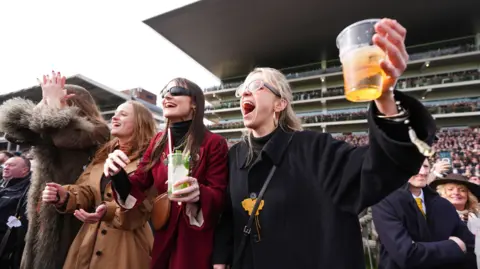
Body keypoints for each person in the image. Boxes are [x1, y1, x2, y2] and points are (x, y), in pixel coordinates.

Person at [212, 19, 437, 269]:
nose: (244, 93)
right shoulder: (234, 156)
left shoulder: (314, 150)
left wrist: (385, 99)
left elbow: (377, 170)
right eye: (242, 89)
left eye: (255, 86)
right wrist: (221, 259)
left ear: (280, 103)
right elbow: (227, 217)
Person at [104, 78, 229, 269]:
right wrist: (117, 174)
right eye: (164, 93)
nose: (167, 96)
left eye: (176, 91)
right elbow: (137, 184)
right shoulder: (158, 141)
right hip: (163, 236)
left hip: (196, 241)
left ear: (194, 102)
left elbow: (221, 197)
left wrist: (199, 193)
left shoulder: (214, 143)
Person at [0, 71, 110, 269]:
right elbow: (12, 134)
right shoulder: (48, 128)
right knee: (35, 255)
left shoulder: (98, 129)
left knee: (62, 259)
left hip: (74, 204)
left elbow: (64, 138)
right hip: (43, 203)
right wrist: (44, 103)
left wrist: (54, 104)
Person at [41, 101, 157, 269]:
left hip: (127, 247)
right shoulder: (102, 156)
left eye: (123, 114)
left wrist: (107, 210)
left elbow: (142, 209)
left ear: (141, 123)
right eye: (115, 113)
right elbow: (86, 189)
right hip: (88, 242)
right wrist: (65, 195)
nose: (115, 117)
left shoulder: (151, 160)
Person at [372, 159, 477, 269]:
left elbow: (469, 245)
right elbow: (406, 254)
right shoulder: (384, 203)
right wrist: (454, 246)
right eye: (416, 166)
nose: (422, 172)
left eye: (426, 166)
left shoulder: (443, 204)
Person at [0, 156, 31, 269]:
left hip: (8, 249)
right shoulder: (3, 184)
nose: (6, 167)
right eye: (6, 164)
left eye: (11, 165)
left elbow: (19, 220)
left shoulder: (28, 191)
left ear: (24, 170)